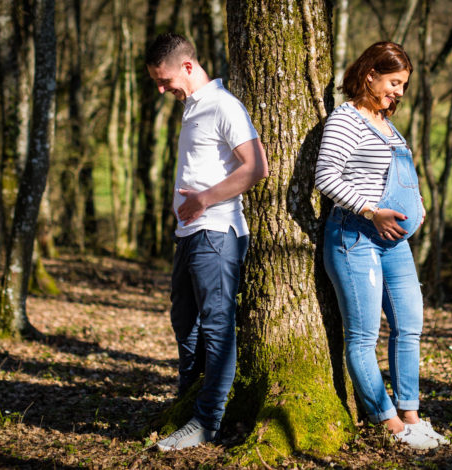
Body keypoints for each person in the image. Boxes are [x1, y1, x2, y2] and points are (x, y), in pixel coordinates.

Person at [315, 41, 447, 450]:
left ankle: (412, 415)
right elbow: (326, 177)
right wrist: (373, 212)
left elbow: (401, 173)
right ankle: (389, 423)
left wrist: (418, 204)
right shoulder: (346, 119)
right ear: (369, 74)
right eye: (394, 82)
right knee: (363, 337)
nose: (399, 92)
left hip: (395, 244)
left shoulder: (389, 124)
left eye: (404, 85)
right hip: (355, 237)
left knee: (409, 326)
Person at [145, 33, 268, 451]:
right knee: (186, 323)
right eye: (157, 84)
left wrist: (203, 199)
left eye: (164, 81)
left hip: (217, 232)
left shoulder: (223, 105)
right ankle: (188, 403)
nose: (162, 90)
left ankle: (206, 421)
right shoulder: (192, 108)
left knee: (217, 326)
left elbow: (256, 167)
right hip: (190, 235)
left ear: (188, 66)